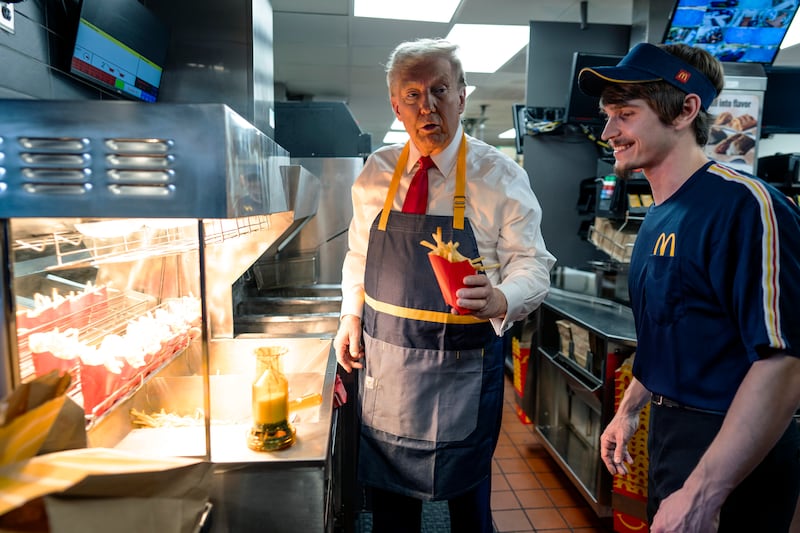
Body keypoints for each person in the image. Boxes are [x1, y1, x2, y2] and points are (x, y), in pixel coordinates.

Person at [333, 38, 554, 533]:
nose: (426, 106)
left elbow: (534, 266)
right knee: (392, 515)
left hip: (463, 372)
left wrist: (501, 297)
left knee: (469, 512)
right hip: (388, 372)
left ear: (461, 95)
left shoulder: (499, 176)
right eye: (411, 95)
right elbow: (360, 255)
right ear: (396, 104)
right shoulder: (376, 173)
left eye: (439, 90)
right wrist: (350, 315)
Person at [578, 42, 800, 532]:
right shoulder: (657, 218)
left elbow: (784, 362)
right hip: (671, 435)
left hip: (735, 451)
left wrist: (702, 495)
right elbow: (673, 333)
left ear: (685, 110)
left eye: (625, 114)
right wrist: (630, 408)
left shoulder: (746, 206)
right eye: (607, 115)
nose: (609, 131)